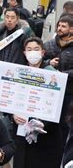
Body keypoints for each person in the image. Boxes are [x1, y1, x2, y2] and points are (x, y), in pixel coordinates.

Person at [12, 37, 62, 168]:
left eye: (36, 49)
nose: (32, 52)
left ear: (43, 52)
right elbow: (8, 100)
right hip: (21, 129)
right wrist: (13, 115)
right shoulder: (19, 72)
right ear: (24, 53)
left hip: (46, 134)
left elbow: (57, 104)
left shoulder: (52, 74)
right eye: (29, 49)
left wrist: (42, 122)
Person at [44, 14, 73, 147]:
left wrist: (62, 75)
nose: (60, 28)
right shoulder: (49, 45)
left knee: (64, 124)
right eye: (59, 25)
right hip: (49, 91)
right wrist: (49, 62)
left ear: (71, 29)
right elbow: (37, 61)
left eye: (63, 26)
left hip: (68, 92)